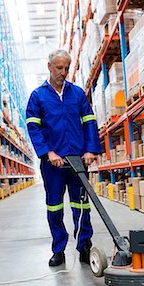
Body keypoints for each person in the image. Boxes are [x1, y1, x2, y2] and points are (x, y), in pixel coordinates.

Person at [26, 49, 101, 267]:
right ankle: (58, 249)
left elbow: (89, 122)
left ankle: (84, 245)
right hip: (53, 164)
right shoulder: (38, 96)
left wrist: (90, 150)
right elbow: (33, 128)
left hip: (78, 159)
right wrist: (48, 153)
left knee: (82, 206)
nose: (63, 72)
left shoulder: (77, 93)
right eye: (59, 68)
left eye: (67, 68)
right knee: (54, 206)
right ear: (49, 67)